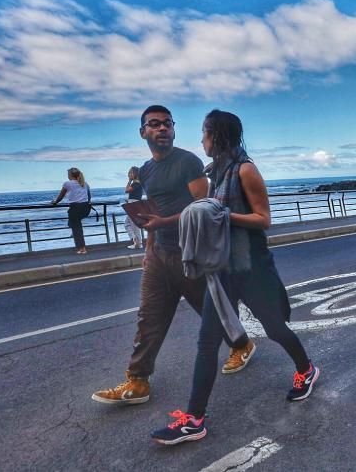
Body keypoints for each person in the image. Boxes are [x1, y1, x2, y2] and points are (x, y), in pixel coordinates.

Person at [150, 109, 319, 446]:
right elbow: (207, 214)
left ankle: (307, 370)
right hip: (222, 269)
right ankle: (193, 420)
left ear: (219, 136)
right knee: (207, 341)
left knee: (274, 329)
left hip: (252, 269)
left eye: (205, 133)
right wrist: (171, 220)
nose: (201, 140)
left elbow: (263, 218)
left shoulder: (245, 170)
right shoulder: (216, 174)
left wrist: (220, 213)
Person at [92, 105, 255, 406]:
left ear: (174, 129)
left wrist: (163, 224)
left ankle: (242, 344)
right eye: (154, 124)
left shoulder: (187, 162)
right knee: (148, 317)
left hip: (189, 252)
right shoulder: (145, 170)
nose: (162, 128)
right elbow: (155, 207)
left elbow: (204, 209)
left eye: (167, 123)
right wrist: (149, 244)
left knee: (211, 309)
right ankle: (137, 380)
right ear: (143, 132)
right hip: (159, 254)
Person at [51, 167, 91, 254]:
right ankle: (73, 229)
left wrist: (55, 202)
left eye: (68, 174)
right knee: (76, 226)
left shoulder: (67, 184)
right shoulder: (85, 183)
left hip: (75, 208)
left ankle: (82, 249)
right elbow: (89, 196)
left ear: (70, 175)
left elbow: (61, 196)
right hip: (85, 208)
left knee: (77, 229)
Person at [124, 166, 144, 249]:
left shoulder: (136, 183)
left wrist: (129, 181)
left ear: (135, 173)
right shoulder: (136, 183)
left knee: (133, 224)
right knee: (127, 224)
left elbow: (127, 190)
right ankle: (135, 240)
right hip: (132, 203)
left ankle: (138, 243)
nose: (129, 174)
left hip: (134, 204)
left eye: (130, 173)